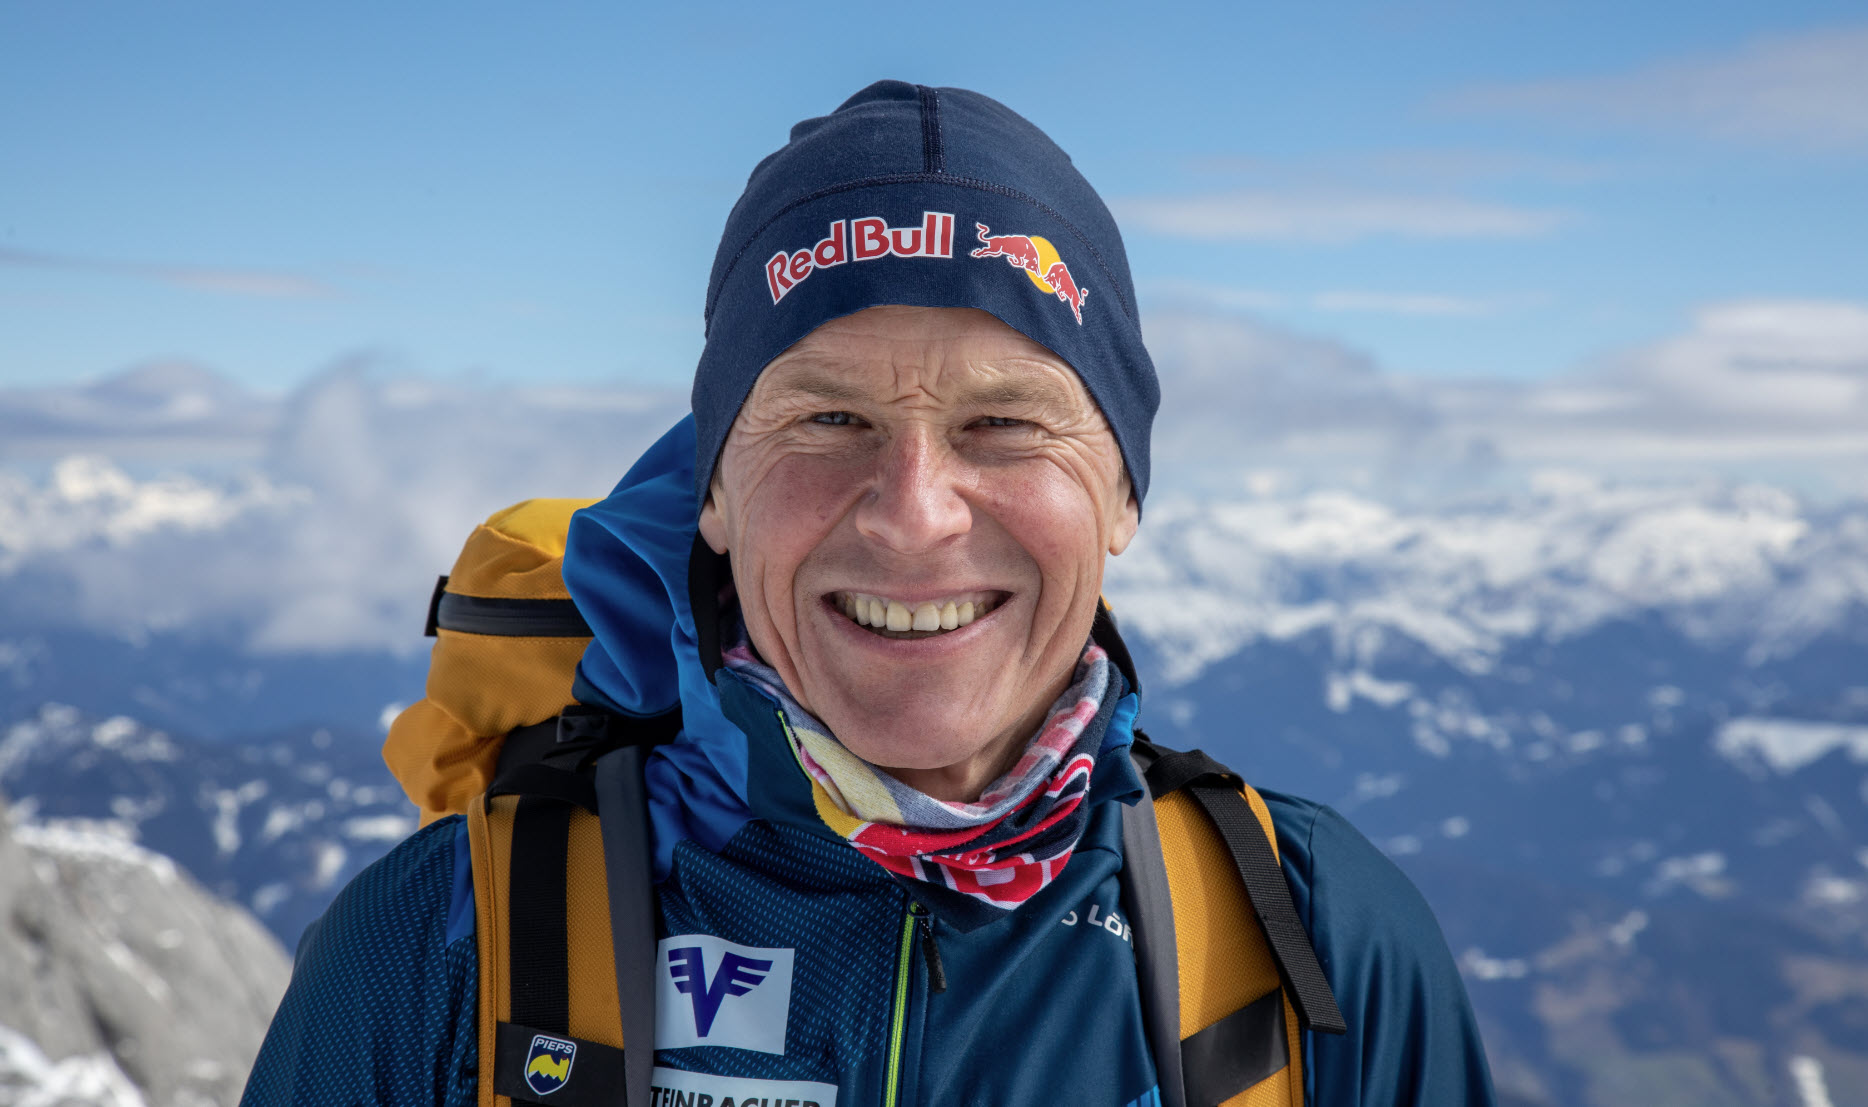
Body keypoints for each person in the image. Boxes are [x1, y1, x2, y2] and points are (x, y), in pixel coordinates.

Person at [241, 80, 1497, 1106]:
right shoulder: (436, 953)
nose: (912, 511)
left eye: (1005, 422)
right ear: (715, 495)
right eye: (827, 416)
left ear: (1121, 495)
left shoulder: (1312, 938)